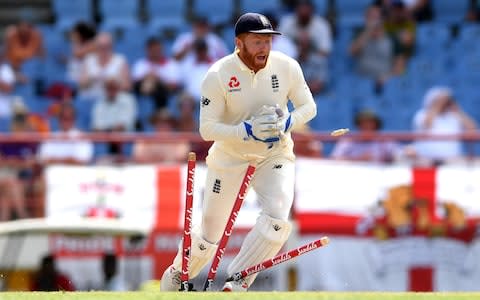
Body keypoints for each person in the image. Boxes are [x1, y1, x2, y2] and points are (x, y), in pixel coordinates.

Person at [160, 12, 316, 292]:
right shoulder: (218, 74)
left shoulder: (287, 66)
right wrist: (246, 130)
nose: (264, 48)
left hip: (274, 153)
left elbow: (309, 107)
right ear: (239, 43)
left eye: (267, 41)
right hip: (230, 157)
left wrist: (288, 121)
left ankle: (237, 281)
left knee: (278, 219)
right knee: (209, 237)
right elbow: (207, 129)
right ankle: (175, 276)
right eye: (256, 41)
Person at [412, 86, 477, 164]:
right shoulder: (422, 114)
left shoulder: (454, 116)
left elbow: (472, 129)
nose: (444, 103)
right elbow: (427, 124)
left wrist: (458, 111)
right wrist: (437, 104)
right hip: (427, 161)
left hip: (452, 161)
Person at [331, 110, 402, 163]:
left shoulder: (385, 142)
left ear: (376, 126)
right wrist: (358, 159)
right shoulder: (348, 141)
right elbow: (335, 159)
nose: (367, 126)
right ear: (359, 126)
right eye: (364, 124)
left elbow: (399, 155)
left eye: (371, 124)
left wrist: (387, 159)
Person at [132, 37, 181, 109]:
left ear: (162, 49)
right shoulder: (140, 64)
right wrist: (148, 77)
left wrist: (158, 79)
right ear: (147, 50)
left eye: (157, 49)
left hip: (164, 95)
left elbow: (173, 87)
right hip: (142, 92)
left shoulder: (171, 65)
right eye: (152, 50)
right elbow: (134, 86)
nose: (155, 52)